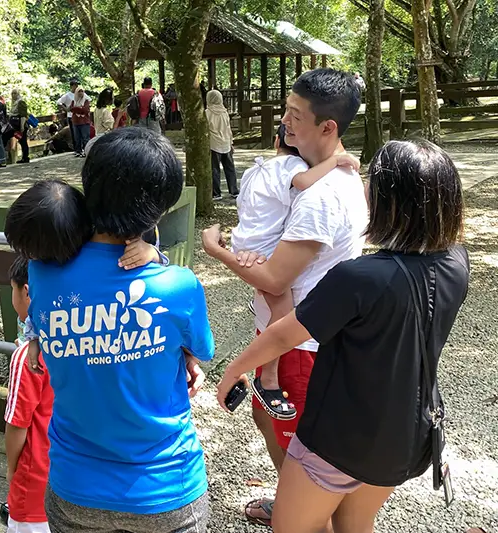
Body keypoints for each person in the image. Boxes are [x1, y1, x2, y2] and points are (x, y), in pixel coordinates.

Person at [216, 139, 469, 533]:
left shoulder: (362, 277)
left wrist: (235, 368)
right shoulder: (456, 261)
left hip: (339, 437)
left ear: (391, 201)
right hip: (406, 433)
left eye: (373, 181)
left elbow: (286, 334)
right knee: (355, 524)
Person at [7, 128, 214, 533]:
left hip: (75, 487)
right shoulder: (178, 285)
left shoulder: (43, 274)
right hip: (167, 487)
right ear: (156, 209)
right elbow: (200, 349)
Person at [202, 68, 367, 527]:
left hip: (299, 341)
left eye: (296, 115)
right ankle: (295, 500)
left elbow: (274, 278)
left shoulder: (320, 194)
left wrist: (218, 251)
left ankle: (303, 514)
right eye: (287, 112)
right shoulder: (327, 174)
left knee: (299, 445)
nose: (286, 122)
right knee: (267, 417)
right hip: (284, 334)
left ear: (327, 127)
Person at [233, 124, 360, 421]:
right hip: (263, 252)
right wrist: (335, 161)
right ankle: (268, 378)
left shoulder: (256, 170)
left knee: (271, 306)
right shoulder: (291, 166)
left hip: (247, 241)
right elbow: (302, 182)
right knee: (284, 313)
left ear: (274, 140)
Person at [3, 256, 55, 533]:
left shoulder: (26, 357)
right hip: (75, 477)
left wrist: (12, 470)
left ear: (25, 291)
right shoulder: (80, 337)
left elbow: (17, 423)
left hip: (35, 483)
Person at [205, 89, 238, 200]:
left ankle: (216, 193)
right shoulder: (224, 112)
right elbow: (228, 129)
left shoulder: (207, 113)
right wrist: (231, 142)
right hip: (226, 143)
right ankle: (234, 191)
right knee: (230, 168)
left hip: (213, 143)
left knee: (214, 169)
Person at [57, 78, 87, 151]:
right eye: (75, 85)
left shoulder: (81, 93)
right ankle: (77, 148)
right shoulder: (67, 95)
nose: (76, 86)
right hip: (71, 116)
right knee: (74, 133)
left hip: (81, 116)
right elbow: (59, 102)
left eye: (77, 85)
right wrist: (66, 109)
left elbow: (88, 100)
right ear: (71, 86)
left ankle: (83, 147)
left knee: (82, 131)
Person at [9, 88, 31, 164]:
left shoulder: (21, 102)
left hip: (21, 124)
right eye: (12, 93)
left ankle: (25, 157)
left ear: (18, 94)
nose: (13, 95)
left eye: (15, 93)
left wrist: (22, 126)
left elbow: (23, 115)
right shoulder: (14, 103)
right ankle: (24, 157)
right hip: (15, 125)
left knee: (23, 141)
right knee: (21, 141)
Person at [69, 87, 91, 157]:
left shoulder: (86, 101)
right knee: (77, 137)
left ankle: (86, 151)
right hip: (76, 122)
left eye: (82, 91)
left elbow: (86, 110)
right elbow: (72, 109)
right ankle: (78, 151)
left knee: (85, 137)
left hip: (84, 122)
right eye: (79, 91)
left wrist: (79, 109)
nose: (80, 93)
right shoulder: (73, 101)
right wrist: (79, 109)